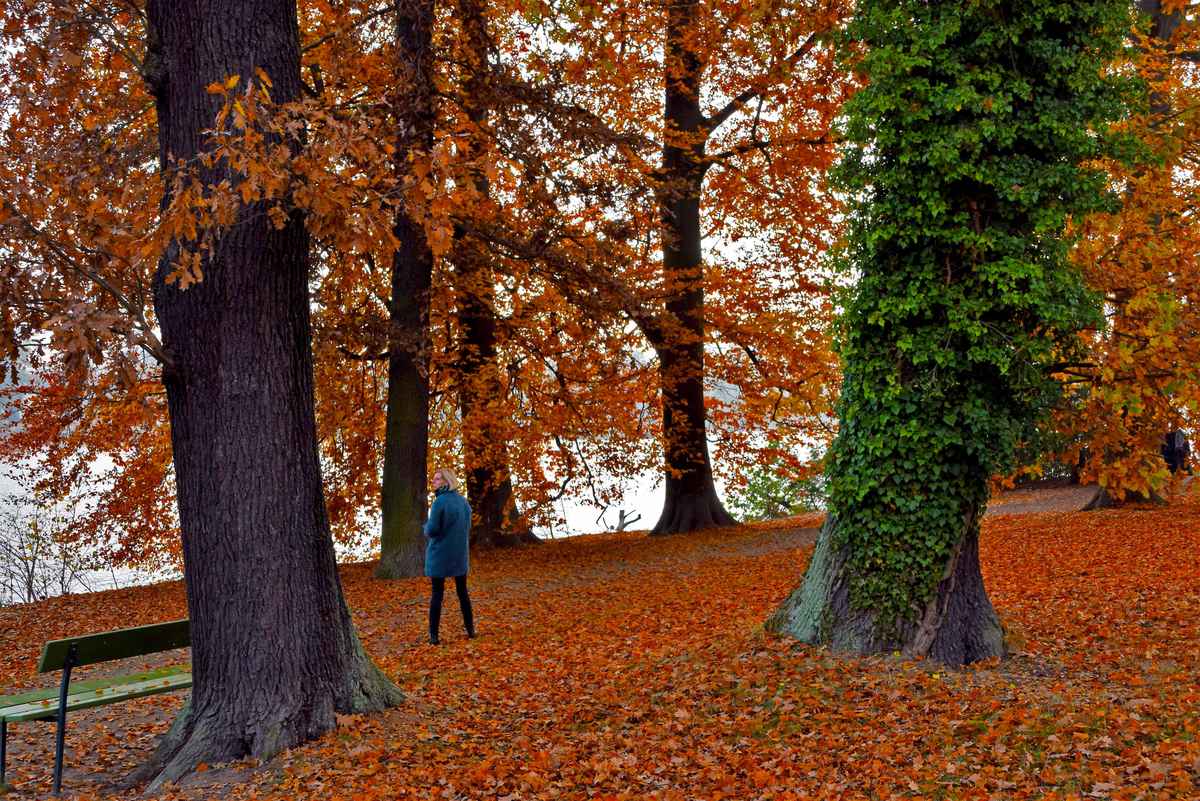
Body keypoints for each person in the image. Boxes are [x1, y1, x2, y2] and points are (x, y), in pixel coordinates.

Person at [423, 467, 475, 644]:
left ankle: (433, 636)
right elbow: (467, 525)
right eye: (434, 479)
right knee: (463, 592)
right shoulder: (463, 501)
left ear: (446, 482)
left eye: (437, 479)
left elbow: (432, 529)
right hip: (459, 554)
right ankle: (471, 630)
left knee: (437, 594)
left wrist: (425, 527)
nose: (434, 482)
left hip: (440, 555)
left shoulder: (439, 503)